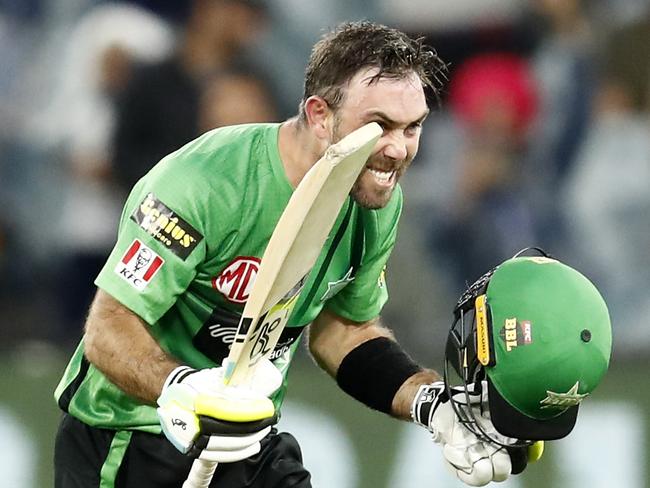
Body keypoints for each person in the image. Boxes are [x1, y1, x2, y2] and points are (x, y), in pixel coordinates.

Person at [55, 21, 532, 488]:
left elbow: (342, 330)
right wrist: (182, 390)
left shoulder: (376, 195)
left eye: (413, 128)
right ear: (320, 114)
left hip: (247, 438)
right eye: (379, 125)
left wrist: (432, 405)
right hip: (127, 436)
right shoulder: (201, 184)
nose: (397, 150)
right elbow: (108, 326)